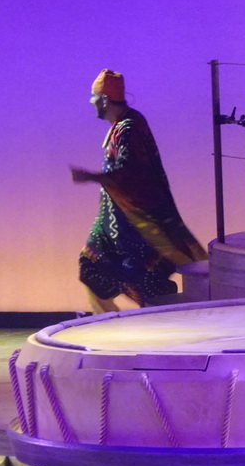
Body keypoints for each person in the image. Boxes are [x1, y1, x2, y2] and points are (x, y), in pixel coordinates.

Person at [70, 69, 207, 312]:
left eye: (94, 97)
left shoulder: (129, 128)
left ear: (104, 100)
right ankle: (110, 328)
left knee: (143, 279)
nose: (91, 102)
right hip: (115, 223)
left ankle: (160, 326)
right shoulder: (123, 124)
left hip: (135, 225)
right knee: (91, 266)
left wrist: (91, 176)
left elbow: (129, 172)